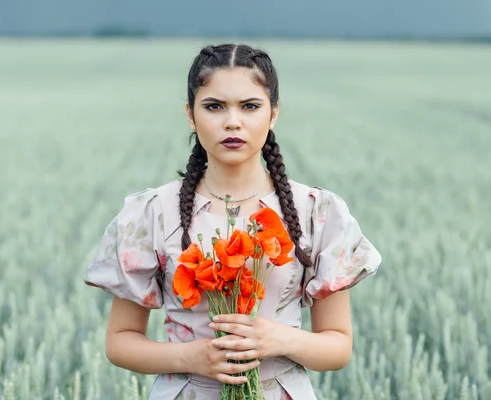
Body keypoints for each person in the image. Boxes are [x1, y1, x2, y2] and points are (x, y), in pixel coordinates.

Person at [83, 43, 382, 400]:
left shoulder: (316, 211)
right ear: (190, 115)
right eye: (214, 106)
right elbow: (119, 342)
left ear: (273, 114)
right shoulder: (153, 212)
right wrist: (192, 357)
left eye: (250, 106)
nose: (232, 122)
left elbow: (338, 346)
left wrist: (277, 339)